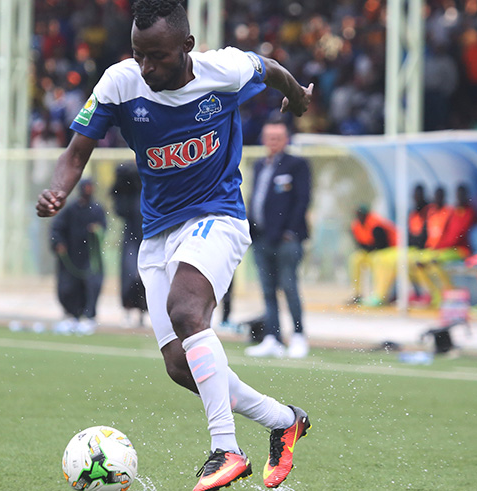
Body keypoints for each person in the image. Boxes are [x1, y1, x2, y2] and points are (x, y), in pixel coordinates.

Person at [36, 2, 313, 489]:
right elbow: (77, 152)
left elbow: (270, 68)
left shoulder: (223, 70)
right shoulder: (120, 82)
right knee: (182, 366)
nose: (146, 67)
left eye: (158, 56)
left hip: (217, 217)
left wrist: (297, 96)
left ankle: (226, 448)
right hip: (159, 232)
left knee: (187, 311)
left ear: (187, 47)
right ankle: (283, 420)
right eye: (138, 54)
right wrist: (58, 190)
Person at [244, 120, 311, 359]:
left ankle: (299, 336)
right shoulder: (260, 165)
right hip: (261, 238)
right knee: (268, 291)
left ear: (286, 139)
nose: (273, 142)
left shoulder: (297, 165)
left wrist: (289, 231)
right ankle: (273, 337)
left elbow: (302, 199)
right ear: (263, 139)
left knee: (290, 287)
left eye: (278, 137)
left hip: (286, 240)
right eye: (269, 137)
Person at [50, 179, 107, 335]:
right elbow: (57, 228)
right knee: (68, 287)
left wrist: (97, 230)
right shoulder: (70, 210)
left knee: (92, 285)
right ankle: (71, 315)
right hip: (71, 256)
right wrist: (58, 243)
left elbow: (103, 228)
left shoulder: (97, 209)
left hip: (90, 257)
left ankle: (89, 317)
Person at [365, 184, 431, 307]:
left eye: (419, 194)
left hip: (422, 250)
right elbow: (409, 234)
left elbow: (425, 236)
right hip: (410, 248)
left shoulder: (428, 212)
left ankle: (425, 293)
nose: (416, 197)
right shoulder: (413, 213)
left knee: (399, 261)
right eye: (414, 195)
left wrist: (414, 241)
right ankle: (380, 294)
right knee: (380, 258)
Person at [414, 184, 477, 307]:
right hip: (446, 249)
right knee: (419, 263)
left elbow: (457, 236)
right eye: (458, 195)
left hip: (461, 250)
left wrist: (440, 246)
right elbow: (446, 233)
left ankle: (450, 293)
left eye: (462, 195)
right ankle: (436, 294)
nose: (459, 198)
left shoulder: (469, 213)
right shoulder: (454, 212)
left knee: (434, 261)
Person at [112, 164, 148, 328]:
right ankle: (127, 310)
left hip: (148, 236)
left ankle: (143, 312)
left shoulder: (148, 190)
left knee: (145, 276)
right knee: (129, 274)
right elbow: (119, 206)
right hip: (131, 238)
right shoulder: (129, 193)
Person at [346, 204, 397, 306]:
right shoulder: (356, 226)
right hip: (370, 252)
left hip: (387, 251)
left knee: (379, 260)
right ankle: (357, 293)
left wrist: (370, 248)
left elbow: (383, 244)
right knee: (355, 259)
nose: (359, 217)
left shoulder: (376, 225)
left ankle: (380, 296)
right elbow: (359, 244)